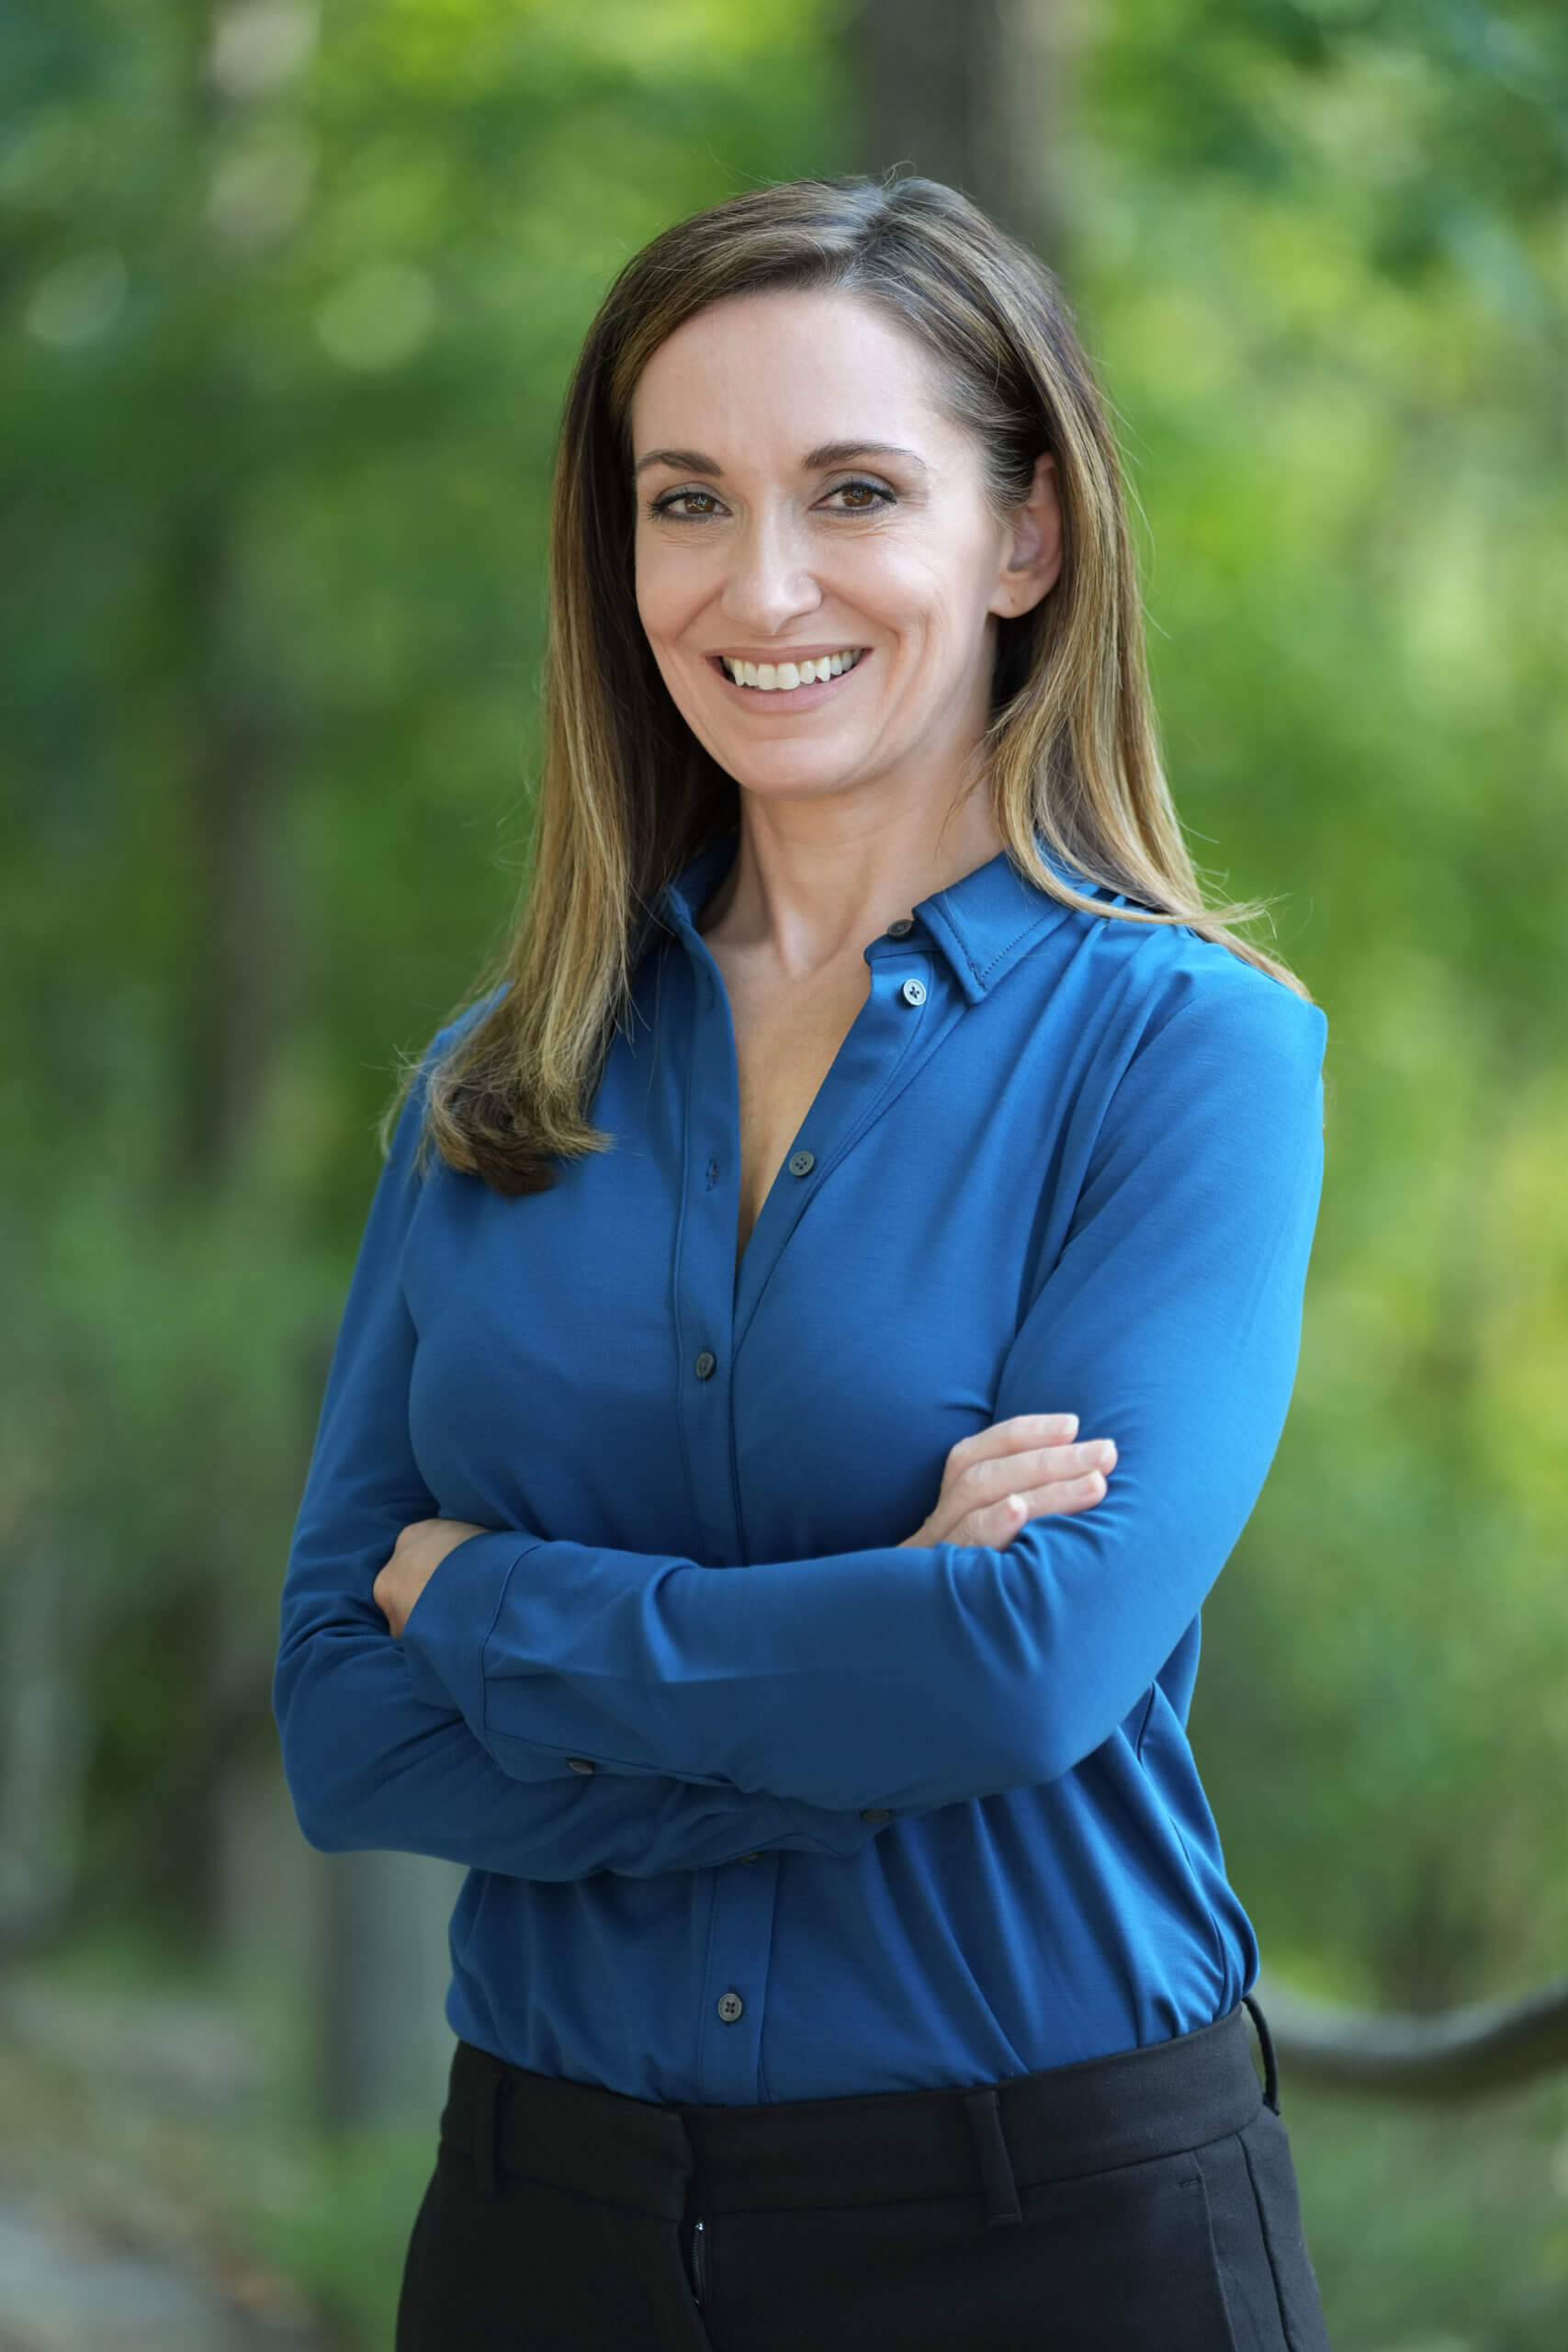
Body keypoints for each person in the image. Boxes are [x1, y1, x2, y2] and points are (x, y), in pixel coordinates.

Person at [274, 174, 1334, 2351]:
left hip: (1049, 2237)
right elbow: (339, 1719)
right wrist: (860, 1660)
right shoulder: (501, 1079)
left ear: (1021, 535)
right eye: (685, 500)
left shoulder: (1187, 1053)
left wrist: (492, 1601)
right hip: (538, 2227)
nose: (758, 585)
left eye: (854, 488)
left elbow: (1019, 1673)